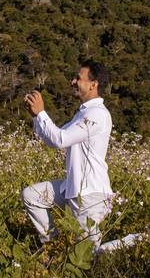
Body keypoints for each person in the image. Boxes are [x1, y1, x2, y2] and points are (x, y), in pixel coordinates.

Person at [22, 60, 114, 250]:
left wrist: (42, 113)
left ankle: (143, 238)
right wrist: (35, 116)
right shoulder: (83, 113)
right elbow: (53, 139)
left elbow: (60, 139)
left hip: (91, 195)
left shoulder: (97, 114)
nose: (72, 81)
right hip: (72, 188)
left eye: (78, 78)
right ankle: (52, 245)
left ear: (93, 84)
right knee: (31, 195)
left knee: (88, 257)